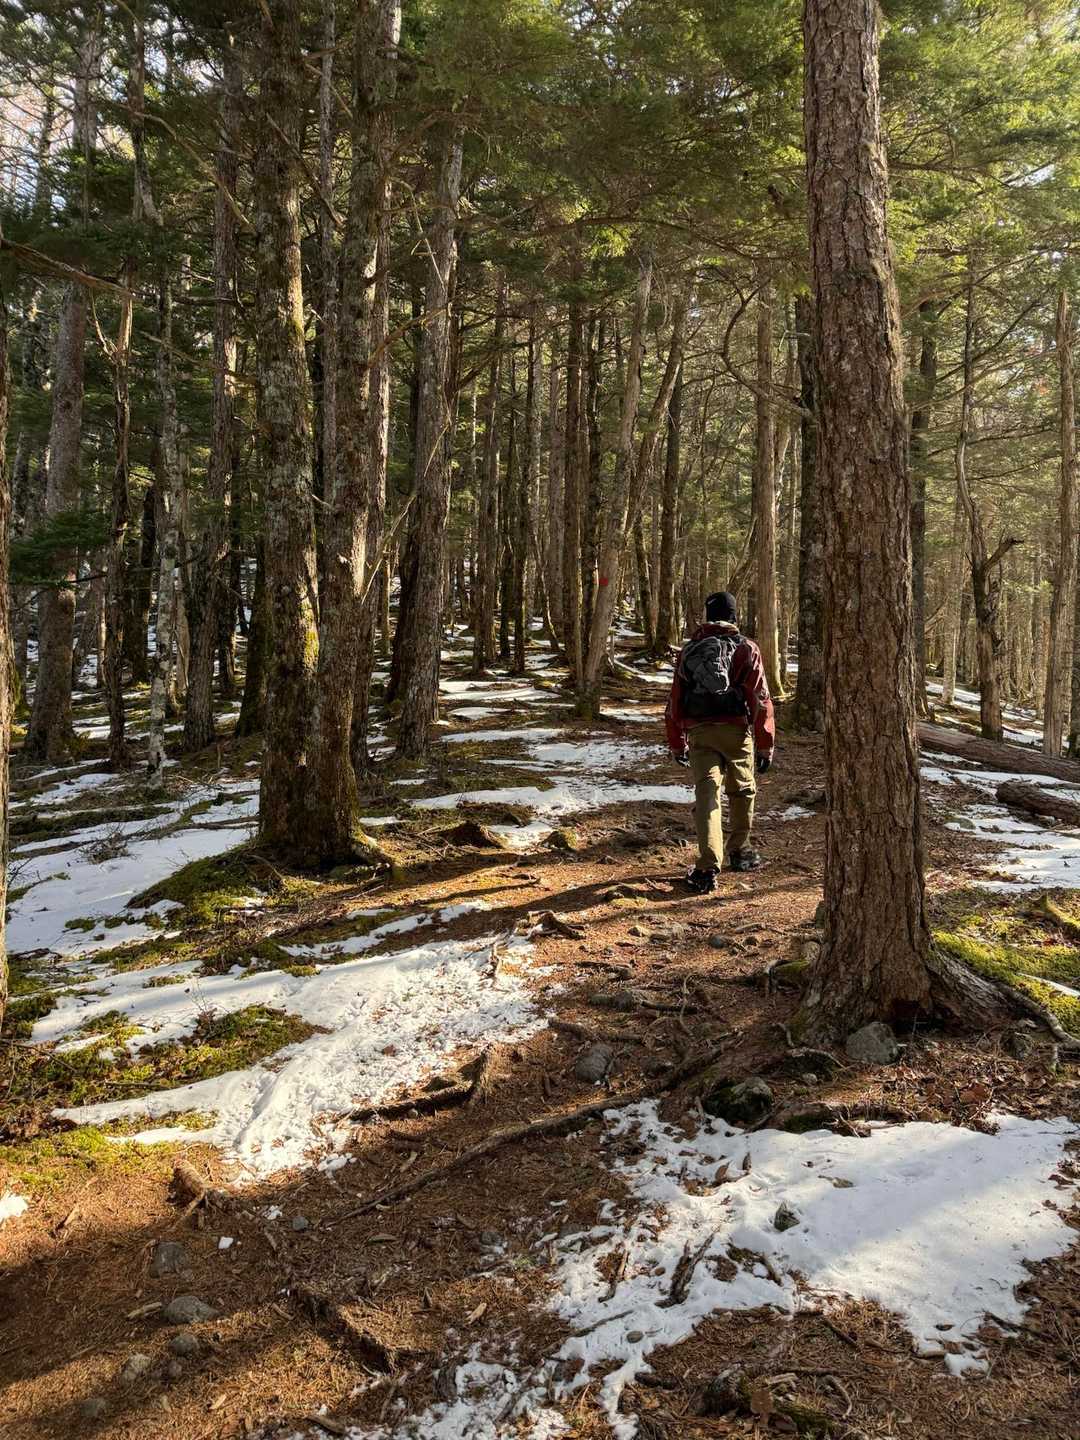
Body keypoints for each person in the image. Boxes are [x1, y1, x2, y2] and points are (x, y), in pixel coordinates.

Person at [665, 590, 775, 892]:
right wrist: (765, 743)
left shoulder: (690, 650)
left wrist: (677, 742)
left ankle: (707, 867)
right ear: (733, 616)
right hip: (737, 733)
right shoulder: (747, 648)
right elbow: (760, 698)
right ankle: (740, 851)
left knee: (707, 795)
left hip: (700, 733)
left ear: (708, 615)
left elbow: (675, 700)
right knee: (742, 790)